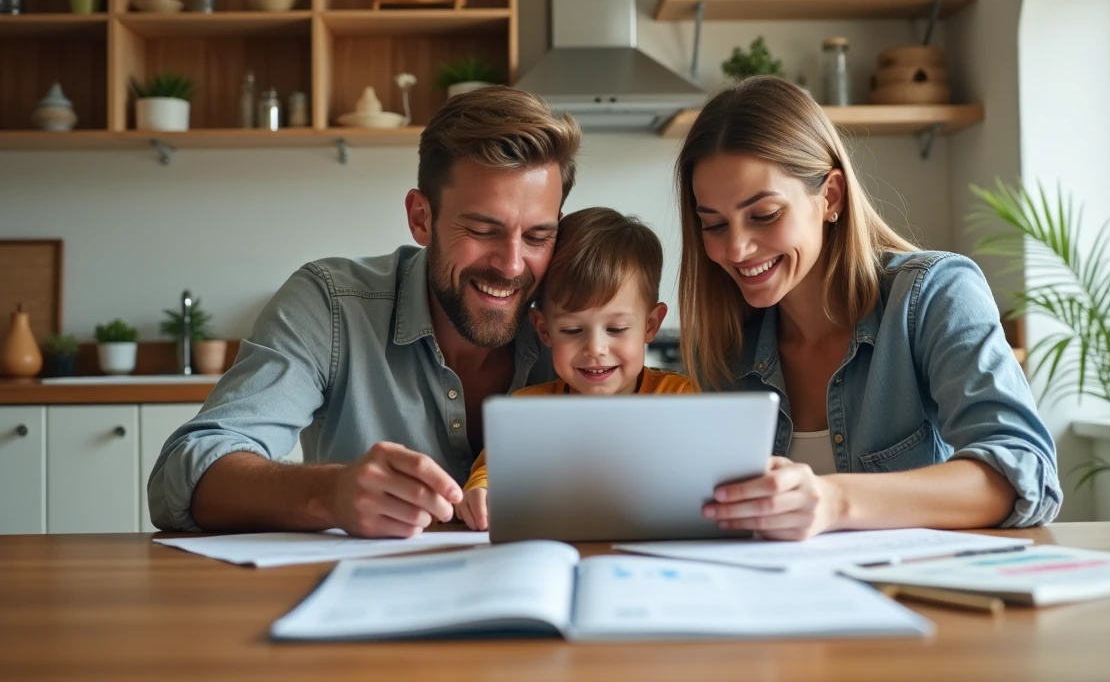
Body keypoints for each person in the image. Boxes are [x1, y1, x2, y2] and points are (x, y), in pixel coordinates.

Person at [147, 87, 581, 537]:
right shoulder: (330, 305)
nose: (511, 265)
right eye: (481, 229)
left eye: (536, 237)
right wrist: (328, 494)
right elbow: (180, 474)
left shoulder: (579, 321)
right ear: (421, 218)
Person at [676, 76, 1061, 541]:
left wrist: (833, 502)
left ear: (830, 197)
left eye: (764, 215)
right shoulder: (726, 346)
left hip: (920, 599)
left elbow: (1023, 469)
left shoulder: (934, 295)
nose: (736, 249)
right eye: (714, 224)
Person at [456, 207, 693, 531]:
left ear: (650, 325)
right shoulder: (527, 410)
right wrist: (481, 492)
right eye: (572, 330)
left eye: (617, 329)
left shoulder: (681, 399)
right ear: (544, 330)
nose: (595, 348)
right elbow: (491, 471)